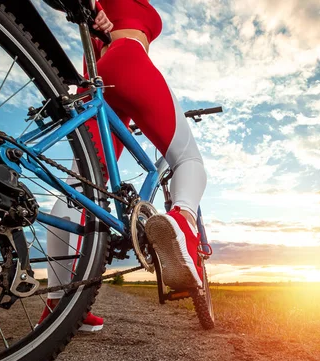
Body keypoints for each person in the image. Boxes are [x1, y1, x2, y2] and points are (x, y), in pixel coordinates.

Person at [38, 0, 207, 331]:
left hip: (94, 85)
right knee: (187, 159)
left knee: (79, 190)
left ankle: (60, 304)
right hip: (128, 60)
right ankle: (182, 224)